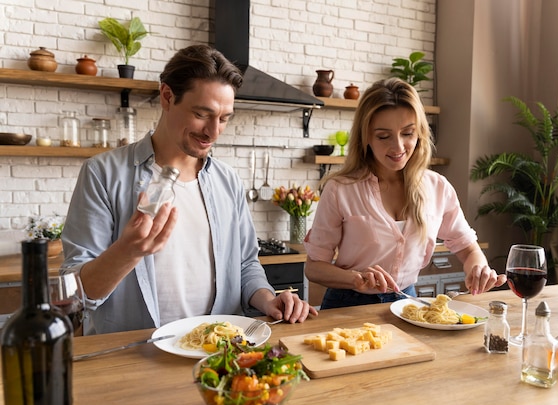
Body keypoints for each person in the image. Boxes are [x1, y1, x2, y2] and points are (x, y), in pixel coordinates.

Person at [61, 45, 317, 334]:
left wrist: (268, 299)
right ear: (167, 97)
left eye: (224, 118)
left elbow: (246, 265)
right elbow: (77, 293)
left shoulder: (227, 181)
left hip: (219, 352)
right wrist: (128, 252)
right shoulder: (103, 173)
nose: (213, 132)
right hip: (133, 359)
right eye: (202, 114)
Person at [303, 78, 506, 309]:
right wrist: (356, 279)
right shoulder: (340, 189)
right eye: (383, 136)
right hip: (347, 306)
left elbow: (468, 248)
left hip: (407, 304)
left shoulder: (437, 187)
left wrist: (478, 268)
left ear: (419, 133)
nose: (398, 147)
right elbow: (314, 267)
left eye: (407, 133)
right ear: (366, 137)